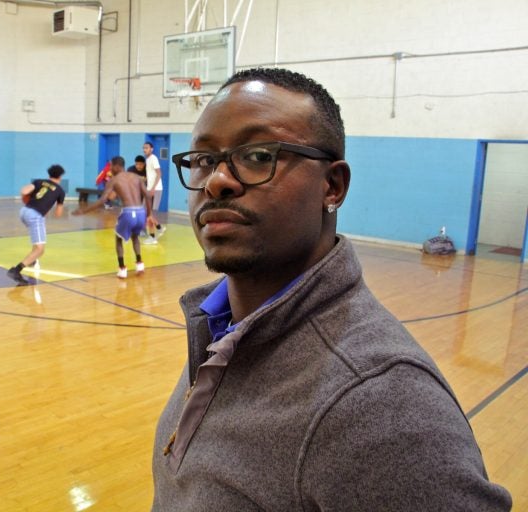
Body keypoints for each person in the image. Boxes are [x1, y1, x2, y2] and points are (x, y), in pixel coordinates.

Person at [152, 67, 512, 510]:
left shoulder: (380, 403)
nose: (217, 181)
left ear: (333, 186)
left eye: (260, 155)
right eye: (204, 160)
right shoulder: (220, 328)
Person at [73, 156, 152, 278]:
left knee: (118, 239)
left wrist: (84, 210)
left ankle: (122, 269)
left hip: (128, 212)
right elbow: (147, 195)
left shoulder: (114, 180)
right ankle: (140, 264)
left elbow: (101, 201)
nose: (109, 169)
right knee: (135, 237)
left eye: (110, 166)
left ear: (117, 166)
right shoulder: (136, 177)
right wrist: (149, 214)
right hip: (141, 212)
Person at [7, 164, 66, 285]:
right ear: (60, 176)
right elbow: (58, 214)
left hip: (24, 211)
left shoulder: (39, 182)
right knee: (40, 249)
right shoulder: (60, 191)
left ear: (49, 174)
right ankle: (16, 270)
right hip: (36, 216)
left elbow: (24, 191)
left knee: (37, 241)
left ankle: (32, 260)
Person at [142, 142, 166, 244]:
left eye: (146, 148)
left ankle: (152, 237)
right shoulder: (147, 160)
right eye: (143, 148)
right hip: (149, 189)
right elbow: (150, 175)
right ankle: (159, 228)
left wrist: (153, 188)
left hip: (155, 190)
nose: (144, 150)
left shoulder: (154, 158)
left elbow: (159, 173)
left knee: (149, 214)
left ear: (151, 149)